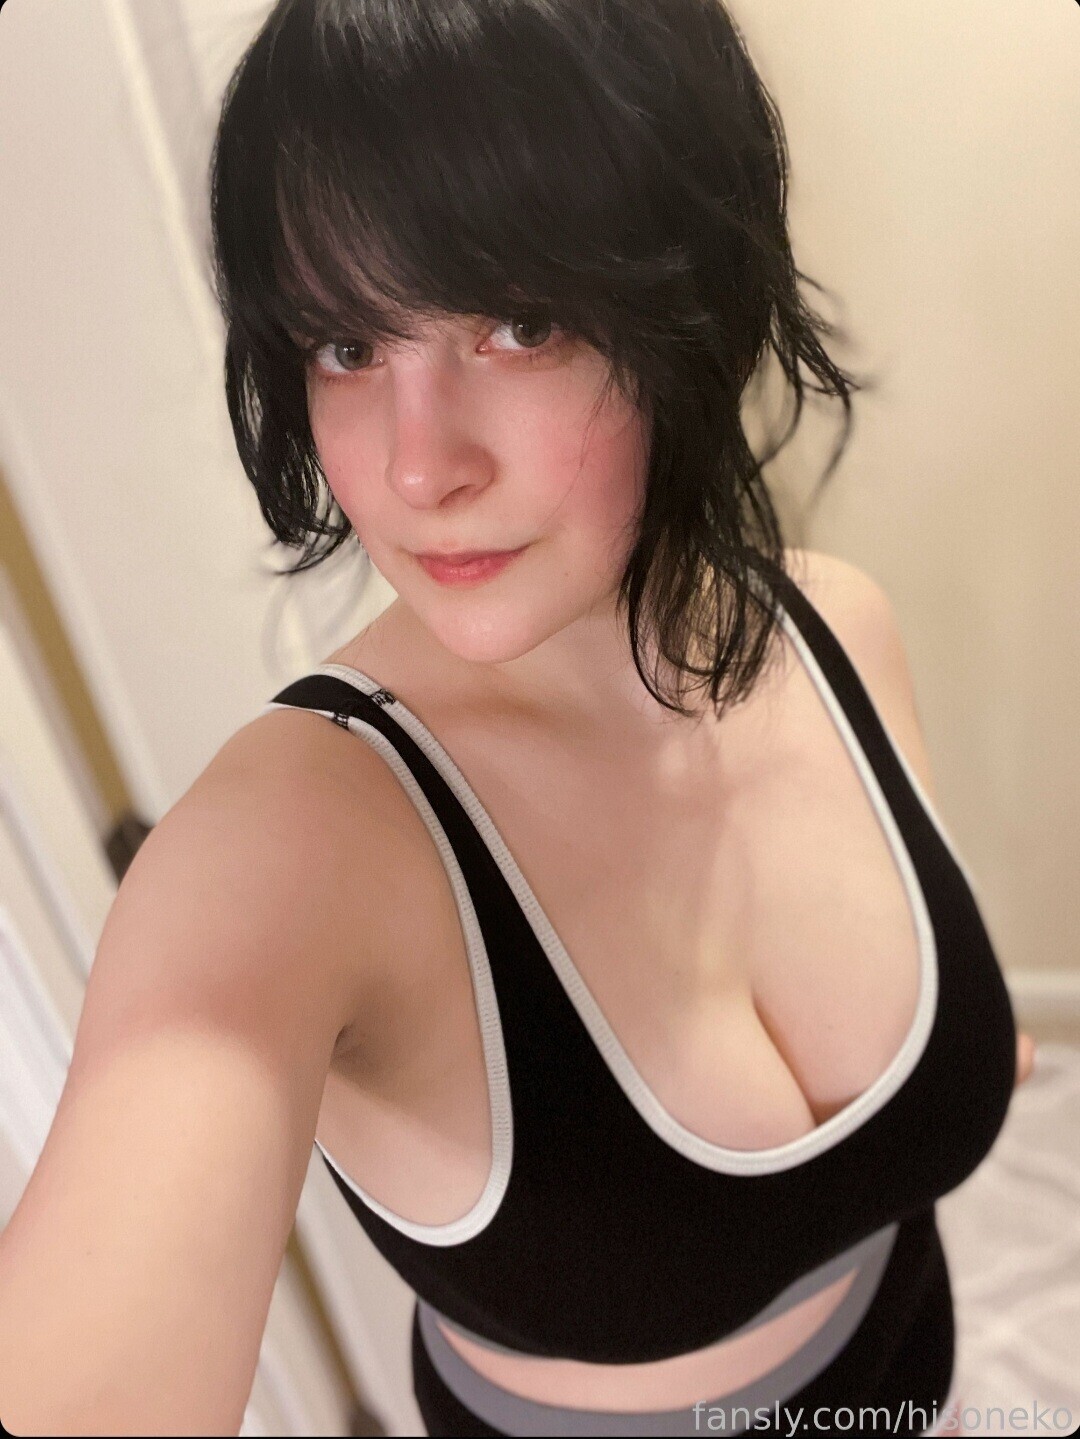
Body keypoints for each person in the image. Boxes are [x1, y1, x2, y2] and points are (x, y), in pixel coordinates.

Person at [0, 1, 1036, 1435]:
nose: (418, 468)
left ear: (692, 289)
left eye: (519, 322)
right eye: (345, 345)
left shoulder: (837, 626)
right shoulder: (294, 844)